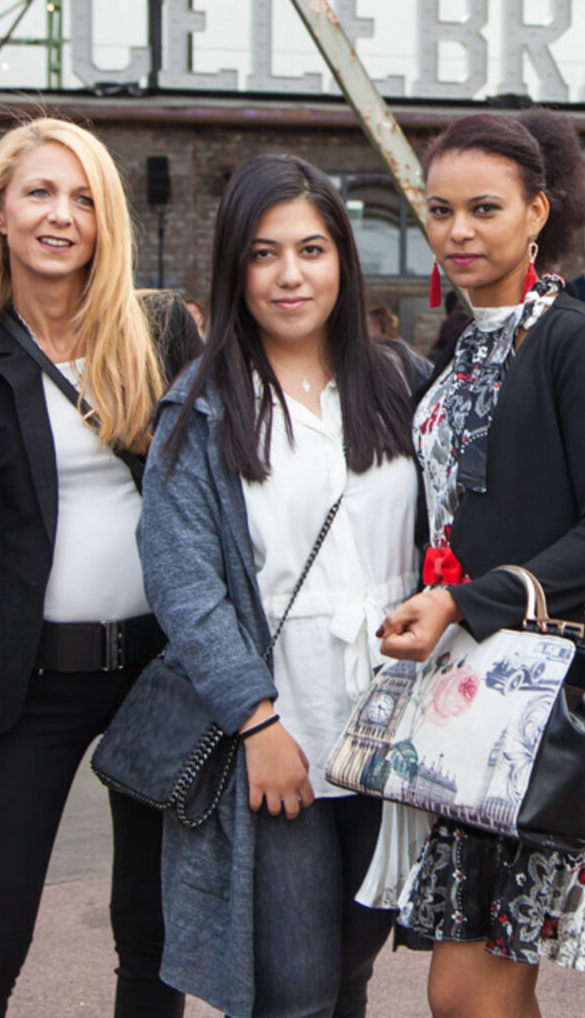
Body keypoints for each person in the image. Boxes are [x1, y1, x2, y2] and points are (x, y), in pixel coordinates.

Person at [359, 108, 585, 1018]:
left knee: (468, 991)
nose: (458, 231)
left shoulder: (576, 341)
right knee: (472, 990)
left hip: (548, 701)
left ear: (538, 211)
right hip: (468, 691)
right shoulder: (464, 343)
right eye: (440, 210)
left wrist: (465, 601)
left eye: (484, 208)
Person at [0, 119, 198, 1018]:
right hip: (22, 678)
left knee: (152, 937)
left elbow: (212, 501)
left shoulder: (159, 331)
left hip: (159, 672)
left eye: (83, 199)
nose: (60, 216)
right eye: (38, 193)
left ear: (105, 220)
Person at [141, 155, 418, 1018]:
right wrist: (256, 722)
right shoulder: (204, 406)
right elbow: (184, 582)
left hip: (394, 727)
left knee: (354, 966)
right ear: (235, 268)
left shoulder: (399, 380)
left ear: (343, 259)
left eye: (311, 250)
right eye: (264, 254)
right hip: (282, 731)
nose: (290, 275)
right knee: (292, 988)